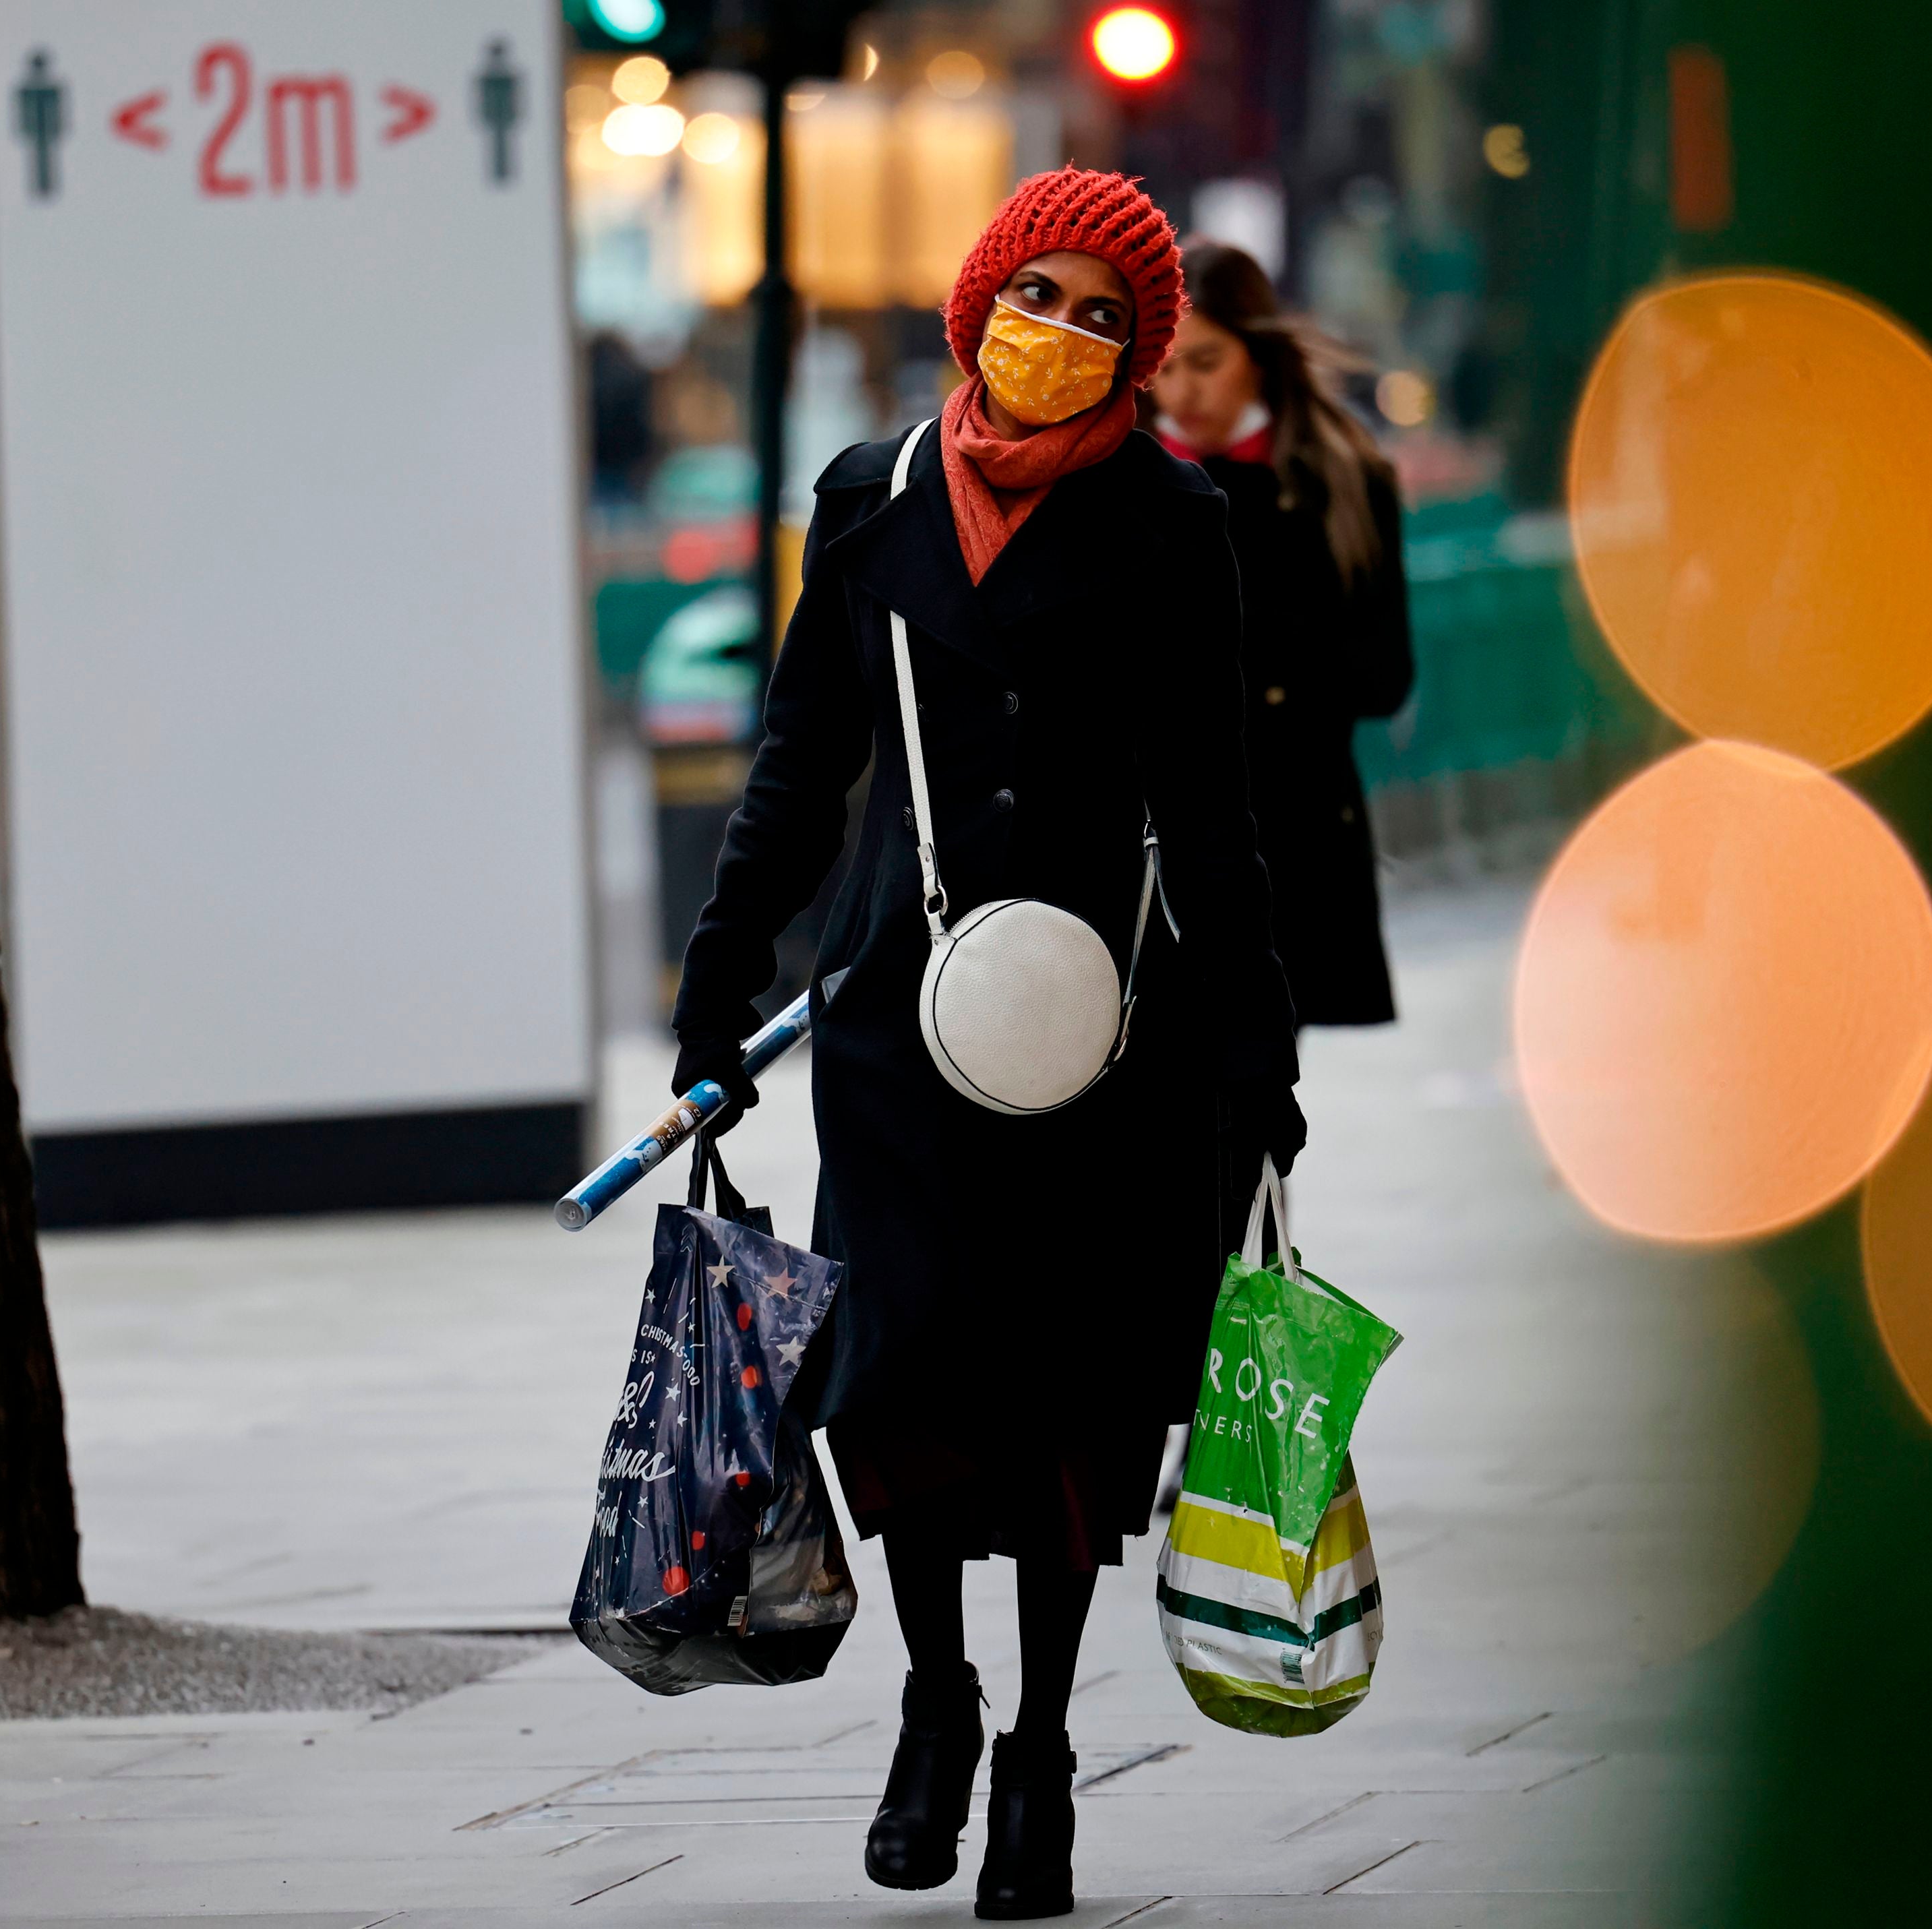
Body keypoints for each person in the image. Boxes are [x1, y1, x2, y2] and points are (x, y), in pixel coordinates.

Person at [667, 171, 1303, 1921]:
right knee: (910, 1375)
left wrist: (1260, 1045)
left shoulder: (1179, 526)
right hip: (899, 1023)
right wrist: (721, 982)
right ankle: (935, 1695)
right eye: (1049, 294)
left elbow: (1214, 808)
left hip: (1113, 1040)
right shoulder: (870, 503)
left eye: (1112, 317)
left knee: (1066, 1401)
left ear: (1145, 353)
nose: (1069, 335)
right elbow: (798, 766)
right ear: (981, 296)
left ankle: (1039, 1749)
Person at [1146, 243, 1414, 1029]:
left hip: (1287, 837)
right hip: (1150, 845)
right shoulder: (1124, 486)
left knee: (1252, 1103)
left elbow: (1382, 676)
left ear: (1257, 355)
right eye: (1160, 367)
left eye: (1204, 362)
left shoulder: (1342, 478)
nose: (1179, 392)